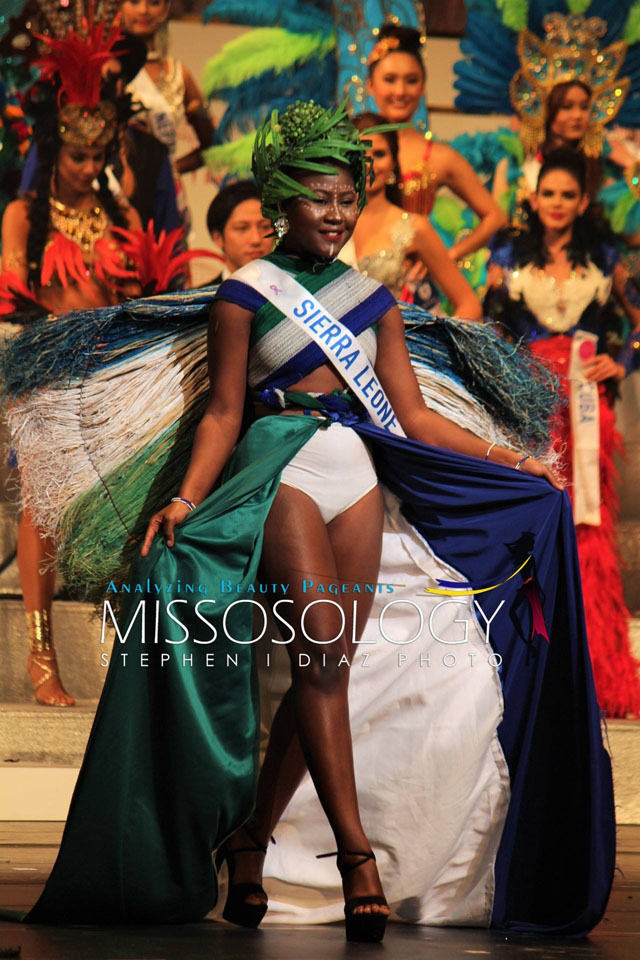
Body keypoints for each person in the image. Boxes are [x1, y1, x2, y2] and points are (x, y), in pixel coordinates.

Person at [6, 101, 616, 942]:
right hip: (281, 469)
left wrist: (513, 462)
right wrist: (183, 499)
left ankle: (251, 842)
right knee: (322, 656)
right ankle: (355, 855)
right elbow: (222, 413)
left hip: (358, 477)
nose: (334, 214)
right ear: (285, 202)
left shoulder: (375, 301)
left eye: (345, 199)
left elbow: (411, 418)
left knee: (320, 671)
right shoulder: (243, 295)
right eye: (318, 198)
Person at [485, 149, 640, 718]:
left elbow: (637, 321)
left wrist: (622, 361)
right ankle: (532, 666)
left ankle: (597, 668)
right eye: (547, 194)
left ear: (582, 202)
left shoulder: (604, 256)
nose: (556, 204)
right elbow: (488, 323)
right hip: (528, 404)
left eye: (567, 195)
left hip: (583, 407)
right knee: (528, 521)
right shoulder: (505, 255)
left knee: (586, 524)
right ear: (533, 198)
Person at [366, 22, 506, 261]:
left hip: (412, 288)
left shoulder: (437, 156)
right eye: (390, 79)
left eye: (411, 80)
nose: (400, 91)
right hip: (354, 276)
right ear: (370, 85)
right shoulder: (347, 147)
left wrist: (445, 258)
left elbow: (496, 217)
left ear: (423, 87)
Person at [349, 113, 481, 317]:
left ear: (394, 162)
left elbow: (469, 305)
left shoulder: (413, 227)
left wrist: (430, 345)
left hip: (401, 345)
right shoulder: (330, 224)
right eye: (360, 153)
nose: (369, 163)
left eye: (380, 154)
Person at [121, 0, 216, 229]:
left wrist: (171, 169)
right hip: (120, 192)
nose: (143, 10)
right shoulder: (108, 70)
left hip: (165, 195)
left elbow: (212, 144)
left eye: (153, 3)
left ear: (165, 9)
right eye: (134, 2)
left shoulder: (177, 74)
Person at [205, 179, 273, 283]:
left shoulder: (296, 292)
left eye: (264, 227)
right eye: (242, 228)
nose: (256, 240)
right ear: (218, 237)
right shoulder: (201, 298)